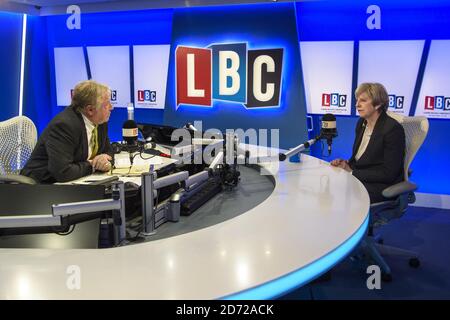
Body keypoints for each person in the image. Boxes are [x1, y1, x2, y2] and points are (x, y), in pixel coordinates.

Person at [21, 80, 114, 183]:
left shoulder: (100, 121)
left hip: (75, 182)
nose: (111, 107)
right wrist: (93, 165)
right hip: (42, 186)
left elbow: (108, 152)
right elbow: (63, 172)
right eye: (107, 104)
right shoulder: (64, 125)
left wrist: (105, 160)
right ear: (90, 110)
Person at [330, 82, 405, 203]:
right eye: (357, 100)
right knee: (330, 185)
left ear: (378, 104)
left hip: (380, 184)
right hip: (362, 177)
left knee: (340, 194)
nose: (357, 104)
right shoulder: (361, 123)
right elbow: (362, 158)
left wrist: (352, 172)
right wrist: (345, 164)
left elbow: (389, 173)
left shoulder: (392, 129)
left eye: (363, 100)